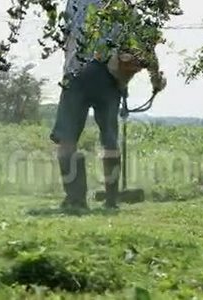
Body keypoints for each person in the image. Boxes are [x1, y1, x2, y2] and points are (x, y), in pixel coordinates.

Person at [49, 0, 168, 210]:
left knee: (67, 140)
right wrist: (155, 80)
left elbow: (67, 39)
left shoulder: (74, 3)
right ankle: (111, 200)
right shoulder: (125, 7)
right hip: (108, 79)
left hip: (76, 75)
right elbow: (145, 46)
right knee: (109, 141)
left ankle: (75, 199)